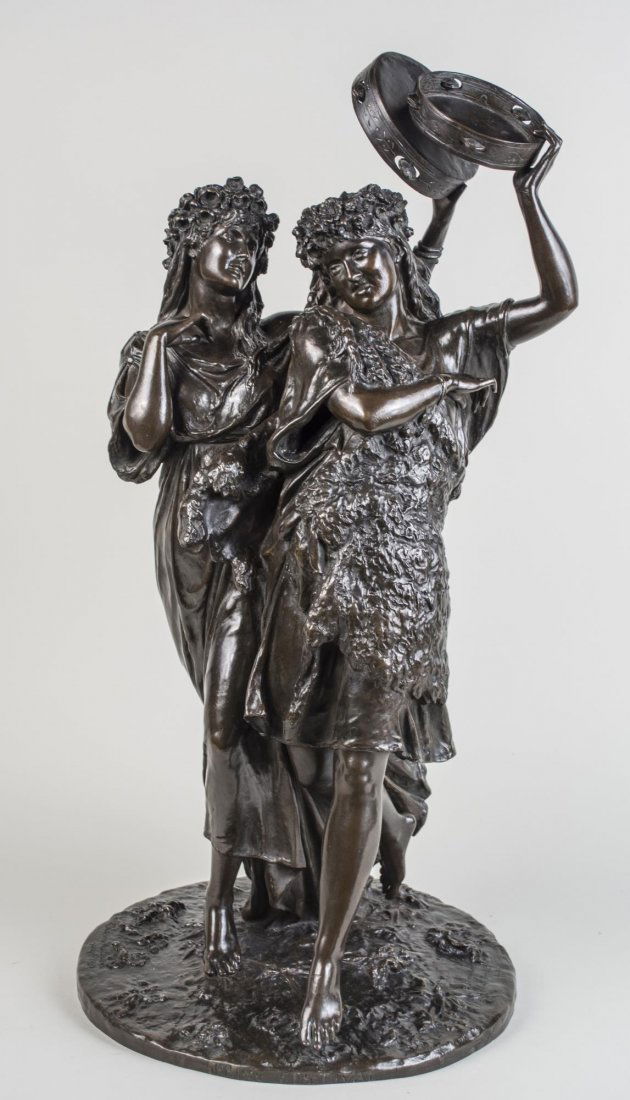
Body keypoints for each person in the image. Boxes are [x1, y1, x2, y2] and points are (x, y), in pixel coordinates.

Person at [246, 132, 577, 1047]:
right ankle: (308, 882)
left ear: (394, 250)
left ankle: (324, 965)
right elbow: (357, 411)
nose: (353, 272)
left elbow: (558, 300)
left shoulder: (453, 337)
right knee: (293, 748)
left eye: (365, 252)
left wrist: (527, 191)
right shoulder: (322, 337)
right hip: (315, 564)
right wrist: (439, 382)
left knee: (362, 760)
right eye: (334, 264)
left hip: (403, 581)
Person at [108, 178, 318, 975]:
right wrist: (160, 350)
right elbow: (143, 442)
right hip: (196, 546)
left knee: (261, 713)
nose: (242, 255)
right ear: (192, 248)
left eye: (253, 245)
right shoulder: (160, 347)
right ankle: (231, 897)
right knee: (228, 720)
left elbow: (374, 329)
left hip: (267, 546)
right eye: (228, 239)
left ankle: (273, 885)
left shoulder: (274, 341)